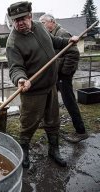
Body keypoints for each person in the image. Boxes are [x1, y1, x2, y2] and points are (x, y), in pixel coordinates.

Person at [6, 1, 79, 168]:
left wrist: (68, 41)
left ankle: (54, 150)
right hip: (32, 91)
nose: (20, 23)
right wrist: (20, 79)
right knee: (28, 124)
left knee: (53, 121)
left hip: (51, 86)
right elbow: (15, 68)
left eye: (23, 18)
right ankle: (24, 153)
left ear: (30, 16)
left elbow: (53, 41)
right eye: (16, 20)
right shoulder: (13, 42)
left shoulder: (39, 27)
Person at [39, 13, 89, 143]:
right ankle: (48, 122)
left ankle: (81, 131)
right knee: (49, 97)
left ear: (52, 22)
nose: (42, 25)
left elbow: (73, 54)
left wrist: (64, 73)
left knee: (69, 101)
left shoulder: (62, 33)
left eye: (43, 22)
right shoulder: (51, 34)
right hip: (55, 74)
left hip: (63, 75)